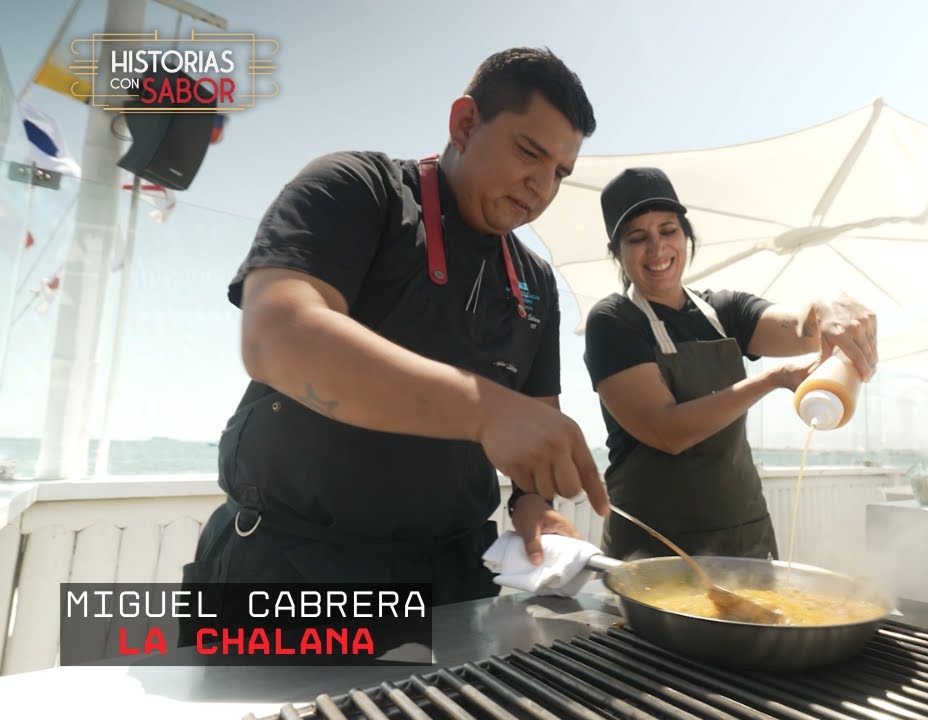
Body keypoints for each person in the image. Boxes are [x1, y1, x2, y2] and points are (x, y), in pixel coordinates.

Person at [181, 48, 609, 615]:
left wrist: (536, 510)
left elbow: (531, 438)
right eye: (529, 152)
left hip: (453, 578)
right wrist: (485, 410)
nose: (541, 186)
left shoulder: (534, 282)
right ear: (464, 123)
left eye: (559, 173)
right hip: (292, 567)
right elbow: (276, 336)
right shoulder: (358, 188)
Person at [583, 167, 877, 560]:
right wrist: (772, 379)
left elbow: (800, 328)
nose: (657, 249)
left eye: (668, 230)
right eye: (637, 238)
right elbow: (667, 430)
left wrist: (825, 306)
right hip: (655, 546)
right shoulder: (613, 321)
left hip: (744, 535)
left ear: (686, 235)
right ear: (616, 252)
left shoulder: (724, 310)